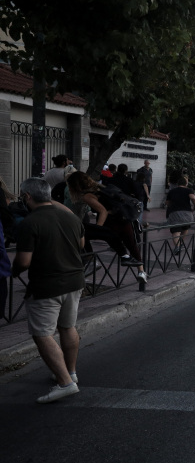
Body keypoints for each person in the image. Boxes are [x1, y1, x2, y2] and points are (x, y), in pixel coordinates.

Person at [12, 178, 84, 403]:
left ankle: (65, 382)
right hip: (75, 281)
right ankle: (70, 372)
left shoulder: (30, 222)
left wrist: (13, 271)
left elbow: (24, 261)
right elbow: (81, 244)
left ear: (27, 197)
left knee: (42, 334)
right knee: (67, 327)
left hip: (46, 286)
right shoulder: (71, 217)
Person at [66, 172, 147, 284]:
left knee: (83, 233)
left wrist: (98, 229)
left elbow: (103, 211)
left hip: (111, 222)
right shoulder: (101, 187)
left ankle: (91, 261)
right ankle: (141, 271)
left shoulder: (87, 195)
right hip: (123, 218)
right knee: (132, 245)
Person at [165, 176, 195, 253]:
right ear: (186, 183)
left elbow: (167, 203)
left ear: (177, 184)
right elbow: (193, 198)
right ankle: (181, 243)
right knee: (185, 228)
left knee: (175, 231)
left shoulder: (172, 191)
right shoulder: (189, 190)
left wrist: (171, 205)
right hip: (187, 213)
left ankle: (178, 246)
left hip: (175, 213)